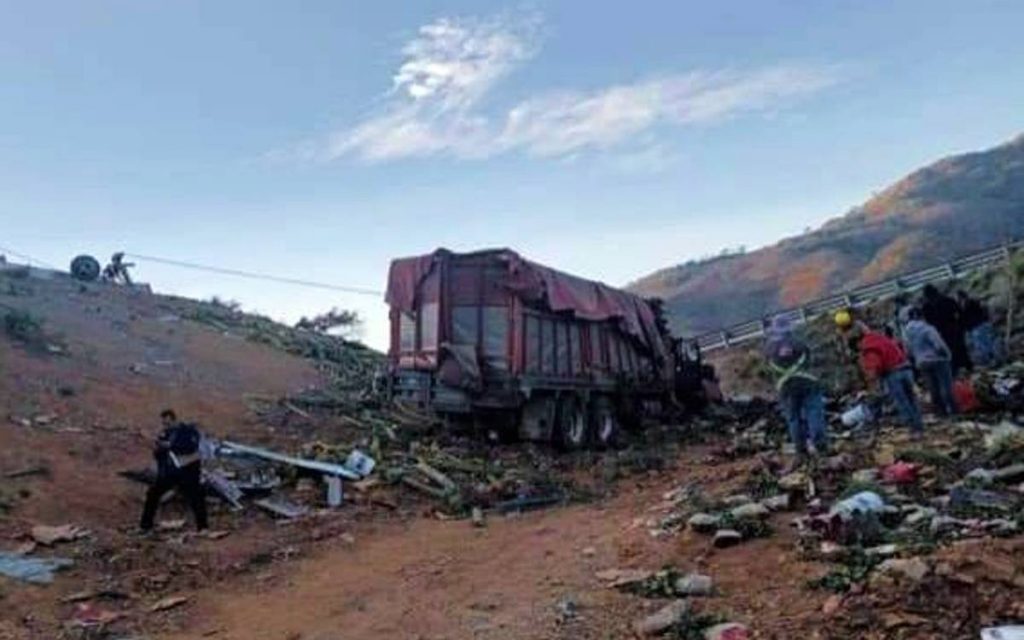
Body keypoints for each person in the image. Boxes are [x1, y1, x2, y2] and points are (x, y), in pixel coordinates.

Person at [764, 315, 827, 466]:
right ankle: (821, 447)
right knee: (814, 413)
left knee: (794, 419)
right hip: (807, 384)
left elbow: (766, 370)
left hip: (786, 388)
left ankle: (801, 451)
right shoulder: (799, 343)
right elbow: (811, 360)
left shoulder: (769, 348)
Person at [851, 319, 924, 435]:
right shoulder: (877, 337)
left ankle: (914, 429)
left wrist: (871, 384)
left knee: (902, 402)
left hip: (893, 374)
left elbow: (874, 366)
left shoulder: (868, 347)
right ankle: (919, 425)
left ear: (857, 342)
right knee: (912, 399)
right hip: (906, 368)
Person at [139, 409, 208, 532]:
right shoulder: (166, 434)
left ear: (174, 420)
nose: (166, 426)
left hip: (188, 471)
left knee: (196, 498)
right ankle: (145, 526)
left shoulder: (187, 431)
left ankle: (203, 527)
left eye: (168, 423)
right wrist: (157, 446)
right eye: (164, 424)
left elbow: (189, 447)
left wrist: (169, 445)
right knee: (153, 494)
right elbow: (160, 455)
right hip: (171, 472)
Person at [902, 308, 957, 416]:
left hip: (921, 362)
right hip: (937, 359)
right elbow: (938, 344)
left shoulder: (906, 333)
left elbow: (907, 350)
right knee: (946, 385)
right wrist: (947, 354)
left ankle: (941, 411)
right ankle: (953, 409)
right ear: (920, 316)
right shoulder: (927, 328)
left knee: (932, 387)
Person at [920, 285, 971, 375]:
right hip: (954, 329)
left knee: (949, 353)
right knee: (961, 349)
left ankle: (957, 372)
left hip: (941, 333)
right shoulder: (947, 300)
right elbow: (959, 312)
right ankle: (966, 368)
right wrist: (961, 326)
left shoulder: (927, 306)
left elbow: (928, 322)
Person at [958, 291, 1001, 367]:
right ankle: (994, 358)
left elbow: (965, 318)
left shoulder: (967, 305)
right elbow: (983, 311)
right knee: (987, 342)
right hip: (981, 325)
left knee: (982, 344)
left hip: (976, 326)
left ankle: (990, 359)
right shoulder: (973, 302)